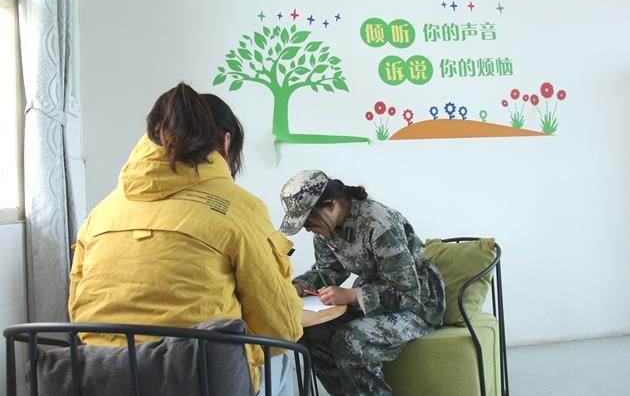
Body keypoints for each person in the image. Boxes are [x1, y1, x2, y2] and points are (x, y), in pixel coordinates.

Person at [68, 83, 303, 394]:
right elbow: (280, 328)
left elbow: (77, 309)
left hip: (101, 377)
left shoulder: (100, 213)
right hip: (196, 381)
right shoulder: (239, 208)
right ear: (225, 142)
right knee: (282, 357)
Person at [279, 170, 446, 396]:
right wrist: (297, 287)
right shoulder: (326, 230)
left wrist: (352, 295)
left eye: (309, 221)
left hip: (418, 304)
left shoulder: (378, 225)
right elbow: (328, 271)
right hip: (374, 297)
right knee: (309, 333)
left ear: (330, 205)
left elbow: (407, 292)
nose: (309, 229)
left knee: (351, 341)